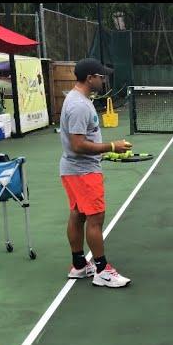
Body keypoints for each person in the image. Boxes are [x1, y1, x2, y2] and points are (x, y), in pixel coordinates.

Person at [60, 58, 131, 288]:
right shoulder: (79, 105)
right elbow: (78, 145)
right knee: (95, 218)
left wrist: (102, 153)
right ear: (90, 78)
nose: (104, 80)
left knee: (78, 214)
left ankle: (80, 265)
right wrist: (111, 147)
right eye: (101, 76)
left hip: (74, 169)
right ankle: (102, 270)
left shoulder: (78, 100)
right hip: (82, 172)